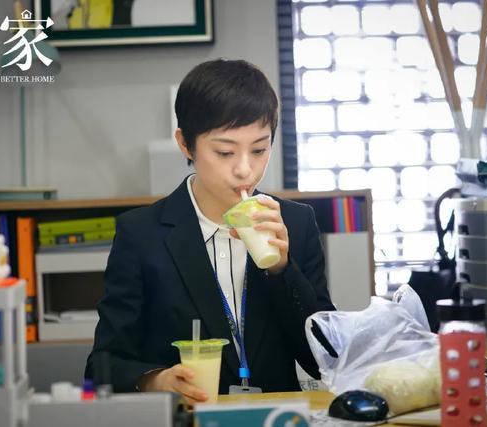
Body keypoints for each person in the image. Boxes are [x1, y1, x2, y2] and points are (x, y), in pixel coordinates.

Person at [85, 58, 335, 403]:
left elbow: (324, 358)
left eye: (259, 149)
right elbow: (103, 364)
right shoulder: (141, 235)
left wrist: (282, 270)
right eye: (225, 152)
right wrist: (156, 380)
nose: (245, 169)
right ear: (185, 144)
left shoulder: (295, 222)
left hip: (275, 417)